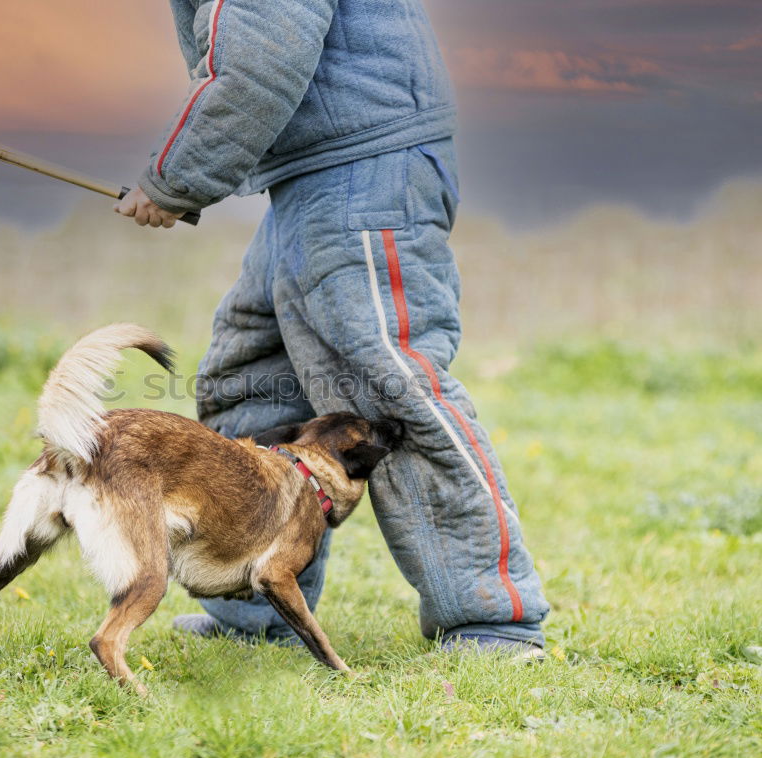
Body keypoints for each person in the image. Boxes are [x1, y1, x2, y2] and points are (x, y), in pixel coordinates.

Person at [115, 0, 548, 657]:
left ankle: (493, 620)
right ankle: (257, 605)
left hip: (363, 171)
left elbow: (261, 59)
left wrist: (176, 176)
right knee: (252, 381)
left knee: (389, 392)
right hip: (313, 175)